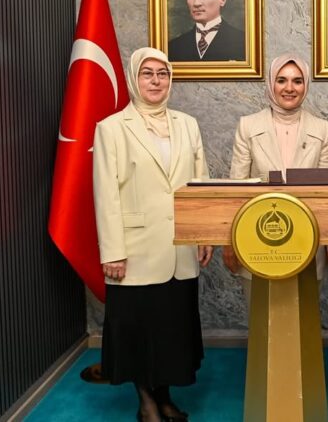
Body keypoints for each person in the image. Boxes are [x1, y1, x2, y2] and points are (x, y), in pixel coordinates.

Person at [93, 47, 213, 422]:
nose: (156, 81)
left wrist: (205, 232)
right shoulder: (111, 127)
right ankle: (147, 404)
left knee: (170, 331)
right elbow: (105, 193)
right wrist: (112, 251)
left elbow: (201, 185)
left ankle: (164, 398)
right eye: (148, 73)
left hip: (180, 248)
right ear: (134, 78)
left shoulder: (187, 124)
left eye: (163, 74)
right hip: (134, 250)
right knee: (137, 331)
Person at [223, 52, 328, 302]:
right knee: (262, 316)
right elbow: (236, 189)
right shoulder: (248, 125)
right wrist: (229, 241)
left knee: (305, 315)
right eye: (281, 80)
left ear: (306, 85)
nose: (289, 88)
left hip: (308, 241)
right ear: (271, 83)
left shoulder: (321, 128)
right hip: (257, 238)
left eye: (297, 81)